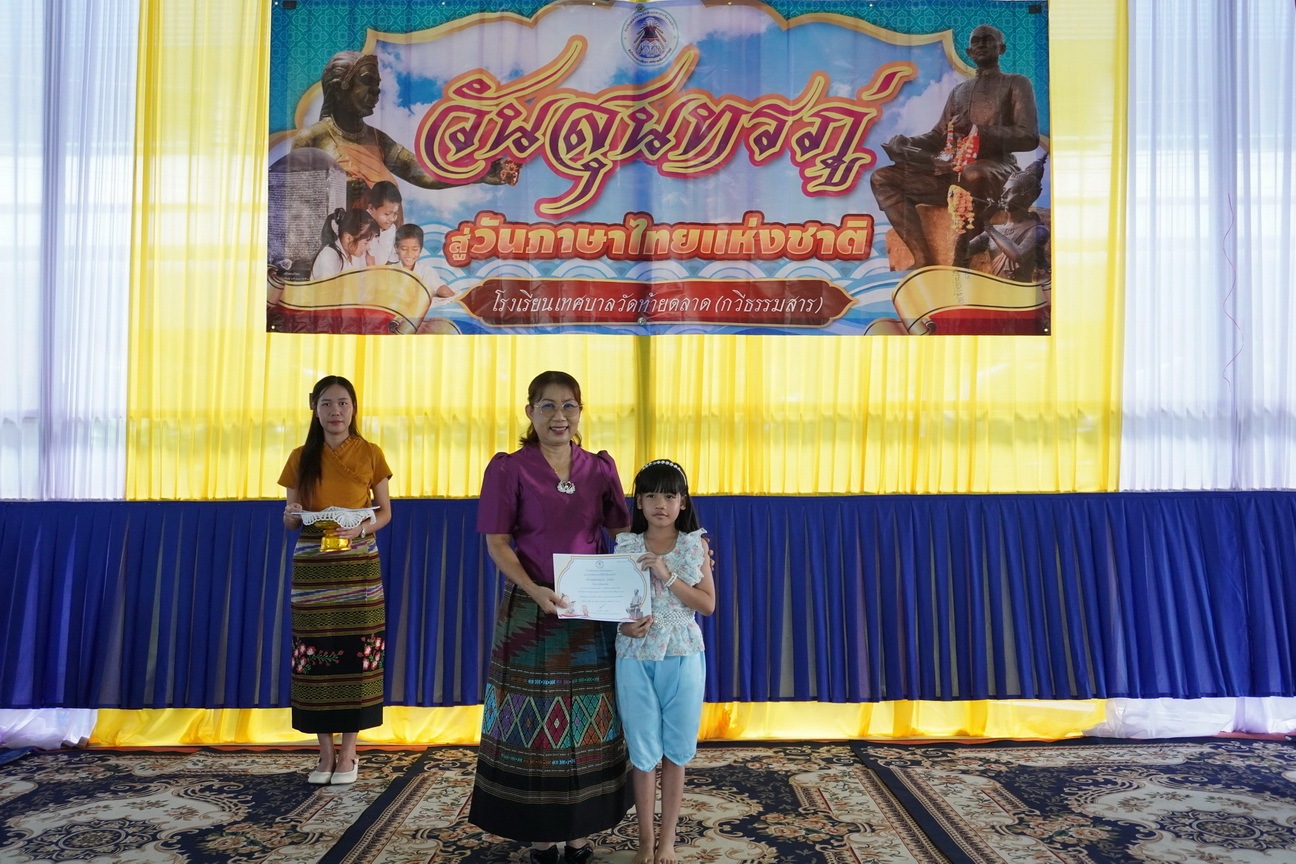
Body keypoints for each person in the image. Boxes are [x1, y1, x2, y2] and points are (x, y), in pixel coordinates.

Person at [471, 370, 632, 864]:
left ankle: (581, 832)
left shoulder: (599, 468)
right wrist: (535, 590)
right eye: (547, 406)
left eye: (568, 406)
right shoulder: (509, 468)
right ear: (530, 412)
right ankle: (540, 837)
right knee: (534, 721)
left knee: (588, 718)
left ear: (580, 412)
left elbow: (625, 533)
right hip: (531, 609)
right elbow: (498, 542)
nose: (559, 416)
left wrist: (682, 551)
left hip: (590, 612)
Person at [279, 376, 393, 786]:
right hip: (313, 563)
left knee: (357, 650)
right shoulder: (300, 456)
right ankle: (324, 753)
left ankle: (349, 753)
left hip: (359, 561)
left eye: (343, 403)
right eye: (327, 403)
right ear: (314, 408)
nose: (335, 411)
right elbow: (291, 518)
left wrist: (359, 529)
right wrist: (291, 515)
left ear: (353, 408)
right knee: (313, 652)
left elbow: (384, 513)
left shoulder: (371, 452)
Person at [870, 24, 1040, 268]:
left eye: (987, 39)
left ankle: (964, 256)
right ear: (969, 52)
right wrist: (908, 142)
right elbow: (939, 135)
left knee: (974, 172)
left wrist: (978, 130)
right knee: (882, 178)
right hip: (953, 172)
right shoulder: (959, 91)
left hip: (996, 170)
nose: (981, 44)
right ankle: (922, 258)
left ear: (1001, 49)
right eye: (976, 41)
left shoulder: (1016, 83)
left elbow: (1028, 137)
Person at [614, 459, 715, 864]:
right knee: (642, 751)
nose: (661, 504)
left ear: (682, 502)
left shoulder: (694, 545)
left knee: (676, 750)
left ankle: (667, 840)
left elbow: (707, 605)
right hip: (634, 656)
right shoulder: (625, 546)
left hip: (683, 653)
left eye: (670, 496)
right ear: (639, 501)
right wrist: (624, 627)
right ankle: (644, 840)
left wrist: (667, 574)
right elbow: (613, 605)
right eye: (651, 495)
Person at [290, 50, 519, 208]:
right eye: (367, 81)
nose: (376, 91)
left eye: (378, 84)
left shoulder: (378, 140)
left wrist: (477, 172)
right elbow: (292, 203)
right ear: (339, 88)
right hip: (334, 257)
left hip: (381, 251)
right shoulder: (312, 139)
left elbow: (425, 174)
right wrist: (337, 193)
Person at [967, 155, 1051, 282]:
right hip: (996, 290)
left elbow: (1018, 256)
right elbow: (963, 252)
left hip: (1020, 292)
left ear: (1028, 196)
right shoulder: (995, 230)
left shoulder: (1038, 231)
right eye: (1004, 190)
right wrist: (961, 219)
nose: (1003, 195)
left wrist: (988, 226)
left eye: (1011, 191)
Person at [310, 208, 380, 279]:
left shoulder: (353, 256)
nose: (368, 247)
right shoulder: (329, 256)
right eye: (366, 242)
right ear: (348, 238)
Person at [393, 223, 455, 299]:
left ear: (420, 249)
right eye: (404, 249)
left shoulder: (426, 271)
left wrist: (442, 290)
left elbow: (443, 290)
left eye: (415, 249)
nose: (409, 254)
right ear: (396, 248)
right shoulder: (390, 271)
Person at [365, 180, 403, 266]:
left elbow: (391, 260)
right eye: (387, 214)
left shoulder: (392, 229)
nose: (392, 219)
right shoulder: (362, 226)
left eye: (395, 213)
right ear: (371, 208)